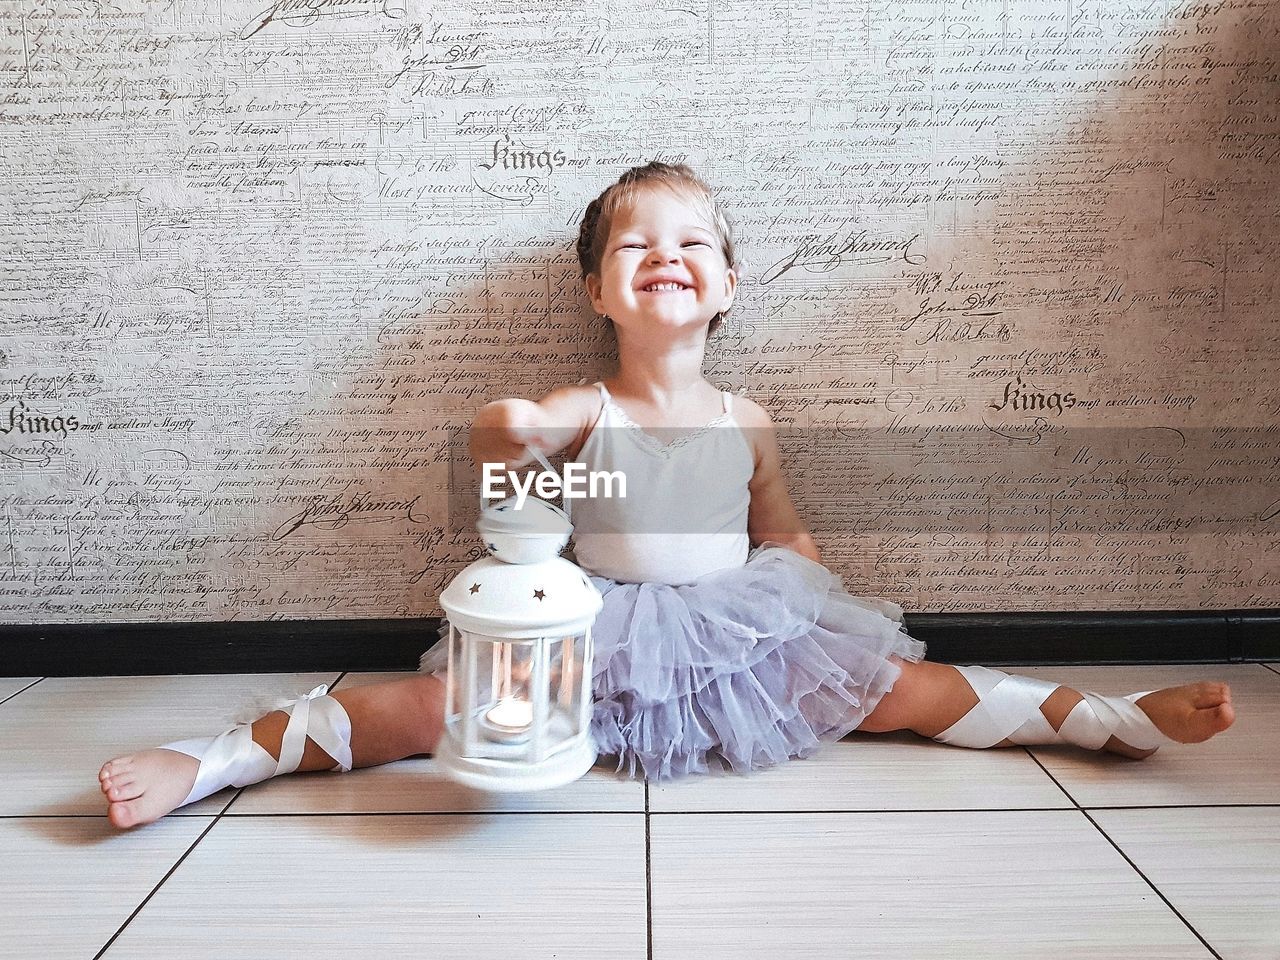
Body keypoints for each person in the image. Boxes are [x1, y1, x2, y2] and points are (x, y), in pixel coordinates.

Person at [99, 162, 1236, 829]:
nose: (665, 254)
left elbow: (774, 523)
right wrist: (511, 437)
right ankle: (215, 762)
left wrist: (802, 571)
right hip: (595, 628)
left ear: (727, 283)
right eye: (634, 244)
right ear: (598, 288)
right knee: (426, 715)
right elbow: (527, 468)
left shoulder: (745, 419)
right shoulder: (586, 408)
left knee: (895, 689)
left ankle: (1109, 720)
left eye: (692, 240)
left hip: (742, 619)